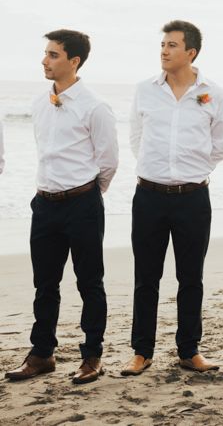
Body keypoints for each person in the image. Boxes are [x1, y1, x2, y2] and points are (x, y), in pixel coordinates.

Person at [5, 30, 118, 384]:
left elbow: (109, 161)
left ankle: (92, 356)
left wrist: (86, 195)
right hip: (44, 204)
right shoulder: (39, 104)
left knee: (89, 283)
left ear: (74, 61)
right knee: (45, 284)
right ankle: (42, 354)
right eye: (45, 53)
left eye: (53, 55)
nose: (45, 60)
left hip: (82, 203)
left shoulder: (95, 106)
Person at [122, 20, 223, 376]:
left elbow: (219, 146)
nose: (164, 51)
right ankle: (142, 351)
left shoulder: (213, 93)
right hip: (149, 195)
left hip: (192, 198)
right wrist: (156, 171)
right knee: (146, 276)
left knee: (191, 277)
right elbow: (136, 138)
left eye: (172, 45)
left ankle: (189, 350)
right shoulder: (145, 90)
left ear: (191, 52)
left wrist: (191, 171)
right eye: (163, 45)